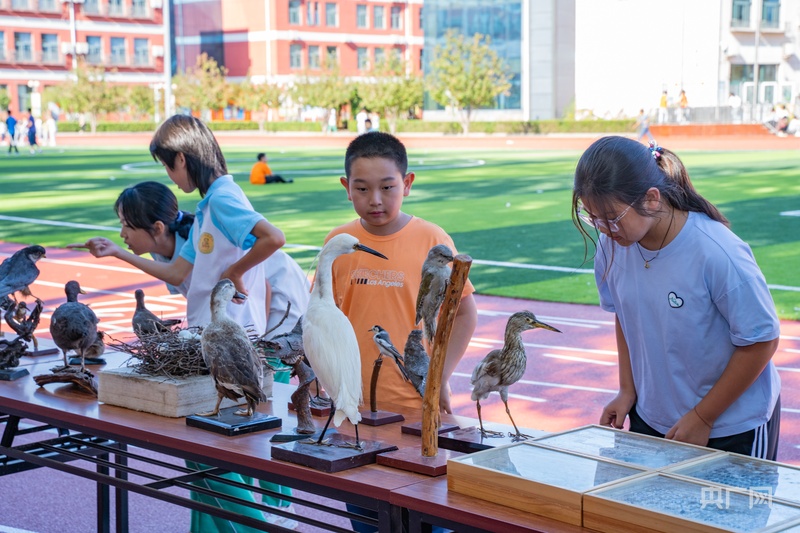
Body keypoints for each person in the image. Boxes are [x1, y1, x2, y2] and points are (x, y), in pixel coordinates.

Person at [70, 115, 291, 532]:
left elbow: (273, 238)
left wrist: (236, 273)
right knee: (206, 451)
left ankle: (259, 528)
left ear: (184, 159)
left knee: (210, 453)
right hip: (208, 339)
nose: (171, 178)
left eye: (169, 167)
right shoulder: (209, 205)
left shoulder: (223, 197)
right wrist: (118, 253)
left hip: (227, 342)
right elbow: (176, 274)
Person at [572, 136, 781, 461]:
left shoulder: (716, 251)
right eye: (592, 217)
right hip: (652, 418)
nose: (603, 229)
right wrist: (627, 389)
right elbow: (624, 315)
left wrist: (703, 416)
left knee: (723, 513)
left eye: (611, 218)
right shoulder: (611, 247)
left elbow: (761, 341)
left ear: (652, 199)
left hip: (728, 429)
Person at [326, 130, 477, 533]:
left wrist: (439, 378)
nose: (375, 199)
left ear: (406, 185)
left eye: (387, 187)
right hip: (354, 411)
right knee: (367, 518)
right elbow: (323, 320)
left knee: (429, 518)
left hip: (416, 409)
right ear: (347, 188)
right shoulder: (339, 245)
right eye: (362, 188)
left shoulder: (432, 239)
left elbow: (463, 313)